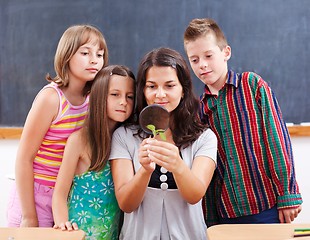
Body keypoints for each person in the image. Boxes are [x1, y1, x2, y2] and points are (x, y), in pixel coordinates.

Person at [183, 18, 303, 226]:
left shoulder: (252, 86)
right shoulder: (200, 110)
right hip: (227, 213)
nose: (202, 64)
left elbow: (277, 141)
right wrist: (210, 220)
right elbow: (208, 171)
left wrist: (287, 194)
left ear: (226, 52)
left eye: (208, 56)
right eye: (194, 60)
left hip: (267, 206)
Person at [109, 47, 217, 239]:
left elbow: (194, 195)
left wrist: (178, 165)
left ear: (183, 90)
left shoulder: (205, 138)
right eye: (151, 86)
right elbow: (126, 204)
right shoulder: (124, 136)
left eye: (169, 86)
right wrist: (144, 170)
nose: (160, 94)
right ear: (143, 90)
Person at [7, 24, 108, 227]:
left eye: (100, 54)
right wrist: (29, 216)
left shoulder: (93, 100)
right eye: (85, 52)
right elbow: (24, 158)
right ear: (67, 55)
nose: (94, 60)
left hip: (67, 196)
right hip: (35, 195)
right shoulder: (51, 98)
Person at [52, 65, 136, 240]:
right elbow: (60, 193)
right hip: (78, 234)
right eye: (115, 95)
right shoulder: (78, 141)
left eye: (130, 97)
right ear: (98, 96)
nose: (123, 102)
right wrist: (62, 223)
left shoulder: (128, 141)